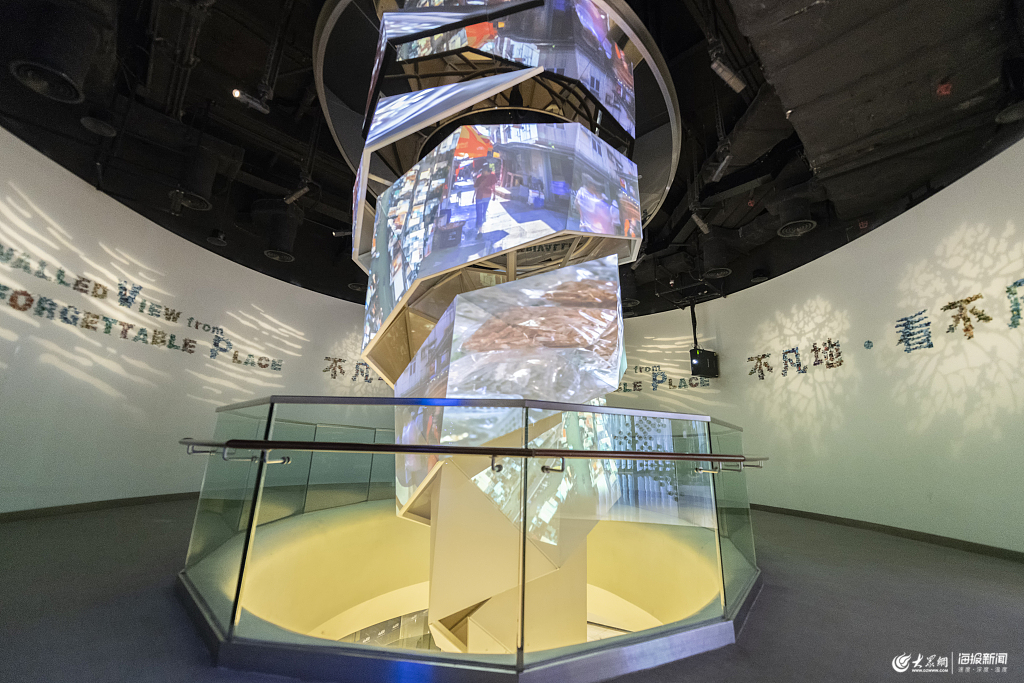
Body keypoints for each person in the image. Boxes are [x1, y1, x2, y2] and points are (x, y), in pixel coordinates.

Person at [473, 164, 498, 236]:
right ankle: (480, 229)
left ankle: (480, 222)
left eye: (484, 171)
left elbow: (493, 186)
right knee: (481, 212)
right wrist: (493, 195)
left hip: (482, 196)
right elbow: (493, 186)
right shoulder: (490, 176)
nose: (483, 172)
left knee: (481, 212)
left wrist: (494, 195)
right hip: (484, 196)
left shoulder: (480, 177)